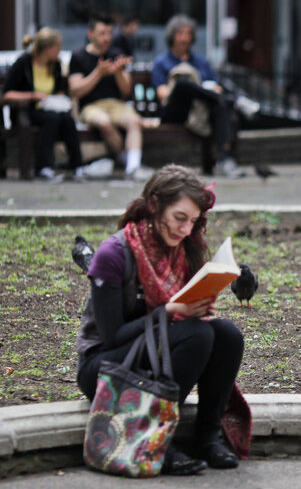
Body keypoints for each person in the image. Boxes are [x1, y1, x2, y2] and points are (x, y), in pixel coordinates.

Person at [76, 164, 247, 476]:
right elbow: (113, 336)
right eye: (179, 218)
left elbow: (176, 321)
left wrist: (197, 304)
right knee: (198, 335)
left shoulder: (183, 249)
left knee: (226, 334)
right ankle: (156, 437)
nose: (185, 229)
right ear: (154, 205)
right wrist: (169, 312)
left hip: (154, 351)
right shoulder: (113, 253)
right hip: (105, 367)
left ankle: (207, 437)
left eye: (192, 221)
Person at [151, 14, 245, 178]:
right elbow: (163, 94)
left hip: (202, 111)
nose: (184, 38)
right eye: (180, 34)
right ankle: (236, 102)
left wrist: (207, 93)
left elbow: (216, 87)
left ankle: (225, 160)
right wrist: (197, 89)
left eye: (188, 34)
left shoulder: (201, 61)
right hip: (177, 111)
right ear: (172, 36)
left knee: (219, 103)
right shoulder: (161, 62)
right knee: (183, 84)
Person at [68, 15, 153, 181]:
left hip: (116, 105)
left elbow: (126, 90)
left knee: (135, 121)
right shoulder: (78, 56)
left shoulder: (116, 54)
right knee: (104, 122)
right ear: (90, 34)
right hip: (91, 106)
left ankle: (133, 167)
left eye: (109, 33)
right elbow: (76, 91)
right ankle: (124, 157)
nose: (107, 38)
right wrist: (98, 73)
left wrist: (119, 72)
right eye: (102, 33)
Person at [1, 27, 87, 183]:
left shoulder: (56, 65)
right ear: (48, 48)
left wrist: (59, 96)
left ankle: (77, 166)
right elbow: (7, 94)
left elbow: (61, 89)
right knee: (52, 119)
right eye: (58, 47)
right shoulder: (24, 63)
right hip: (27, 110)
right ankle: (43, 167)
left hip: (51, 108)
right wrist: (33, 96)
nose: (60, 52)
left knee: (67, 119)